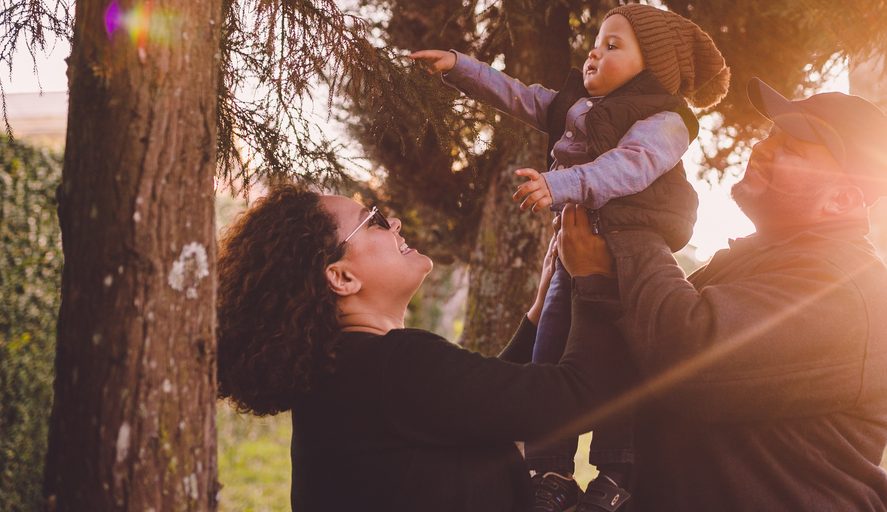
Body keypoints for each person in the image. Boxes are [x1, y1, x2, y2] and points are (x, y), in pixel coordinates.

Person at [410, 4, 729, 511]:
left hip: (627, 253)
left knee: (617, 354)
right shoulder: (576, 106)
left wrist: (562, 184)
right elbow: (518, 95)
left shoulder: (666, 120)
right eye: (595, 43)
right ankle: (550, 469)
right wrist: (460, 67)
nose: (594, 54)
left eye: (613, 45)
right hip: (570, 250)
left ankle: (616, 471)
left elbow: (631, 166)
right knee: (551, 348)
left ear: (655, 67)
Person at [559, 78, 887, 512]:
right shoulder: (766, 257)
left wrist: (636, 221)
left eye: (792, 147)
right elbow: (647, 353)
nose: (762, 147)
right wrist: (597, 276)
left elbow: (690, 361)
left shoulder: (843, 288)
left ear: (842, 198)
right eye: (771, 134)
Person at [216, 184, 632, 512]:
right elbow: (577, 397)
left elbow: (474, 405)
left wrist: (539, 314)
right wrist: (594, 279)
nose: (394, 221)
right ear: (341, 278)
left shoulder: (344, 373)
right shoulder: (397, 365)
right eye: (374, 221)